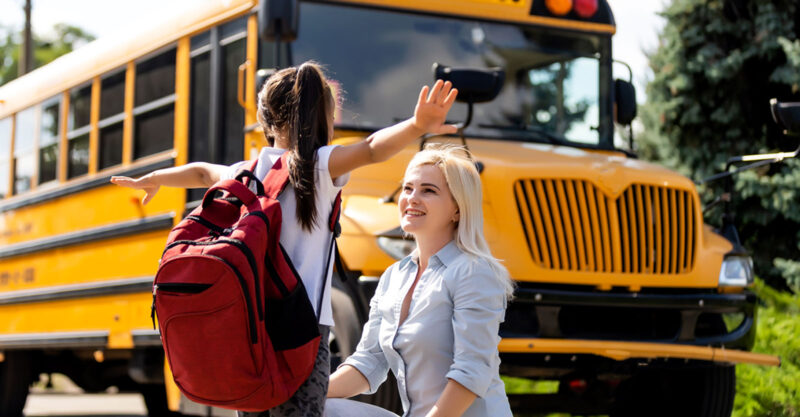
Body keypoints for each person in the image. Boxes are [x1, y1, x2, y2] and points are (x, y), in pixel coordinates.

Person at [110, 61, 458, 417]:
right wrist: (417, 125)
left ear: (265, 118)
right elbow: (371, 148)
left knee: (254, 406)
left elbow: (201, 171)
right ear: (323, 116)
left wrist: (153, 177)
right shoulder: (317, 167)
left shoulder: (243, 171)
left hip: (245, 318)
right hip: (301, 325)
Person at [326, 144, 515, 417]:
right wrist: (303, 395)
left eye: (429, 190)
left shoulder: (473, 272)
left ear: (458, 210)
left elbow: (471, 373)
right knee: (312, 409)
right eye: (407, 188)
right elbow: (368, 363)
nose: (412, 198)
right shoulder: (394, 276)